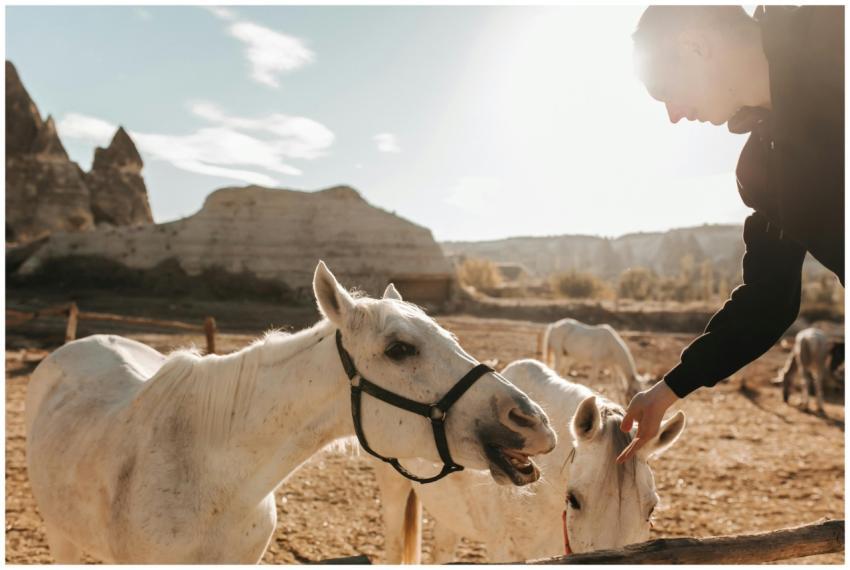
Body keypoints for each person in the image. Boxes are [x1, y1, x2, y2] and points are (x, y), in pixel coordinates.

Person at [617, 5, 844, 463]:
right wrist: (668, 389)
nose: (674, 116)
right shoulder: (763, 169)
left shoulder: (835, 34)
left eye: (665, 92)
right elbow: (769, 299)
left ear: (695, 46)